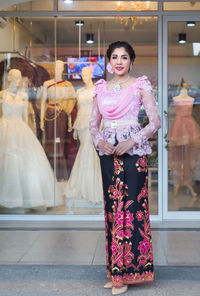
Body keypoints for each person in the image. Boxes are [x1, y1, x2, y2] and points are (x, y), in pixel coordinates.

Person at [89, 41, 161, 295]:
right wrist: (100, 142)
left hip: (133, 155)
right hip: (108, 155)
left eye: (125, 57)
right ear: (109, 61)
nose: (119, 62)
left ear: (131, 61)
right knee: (112, 210)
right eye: (115, 57)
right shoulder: (100, 88)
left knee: (131, 210)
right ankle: (115, 271)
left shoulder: (140, 85)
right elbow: (93, 125)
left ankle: (129, 272)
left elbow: (155, 122)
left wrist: (133, 140)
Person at [0, 69, 63, 210]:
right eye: (15, 78)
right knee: (7, 161)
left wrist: (31, 134)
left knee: (23, 162)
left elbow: (25, 117)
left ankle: (25, 199)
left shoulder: (23, 95)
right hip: (4, 128)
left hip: (20, 128)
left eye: (19, 78)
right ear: (9, 78)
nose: (18, 81)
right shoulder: (2, 95)